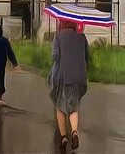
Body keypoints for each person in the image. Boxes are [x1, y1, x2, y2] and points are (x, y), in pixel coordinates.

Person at [49, 19, 89, 151]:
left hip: (62, 77)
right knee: (73, 107)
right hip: (78, 76)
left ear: (62, 23)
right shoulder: (82, 37)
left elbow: (55, 55)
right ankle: (75, 132)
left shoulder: (59, 36)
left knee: (60, 106)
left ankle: (63, 137)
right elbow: (86, 57)